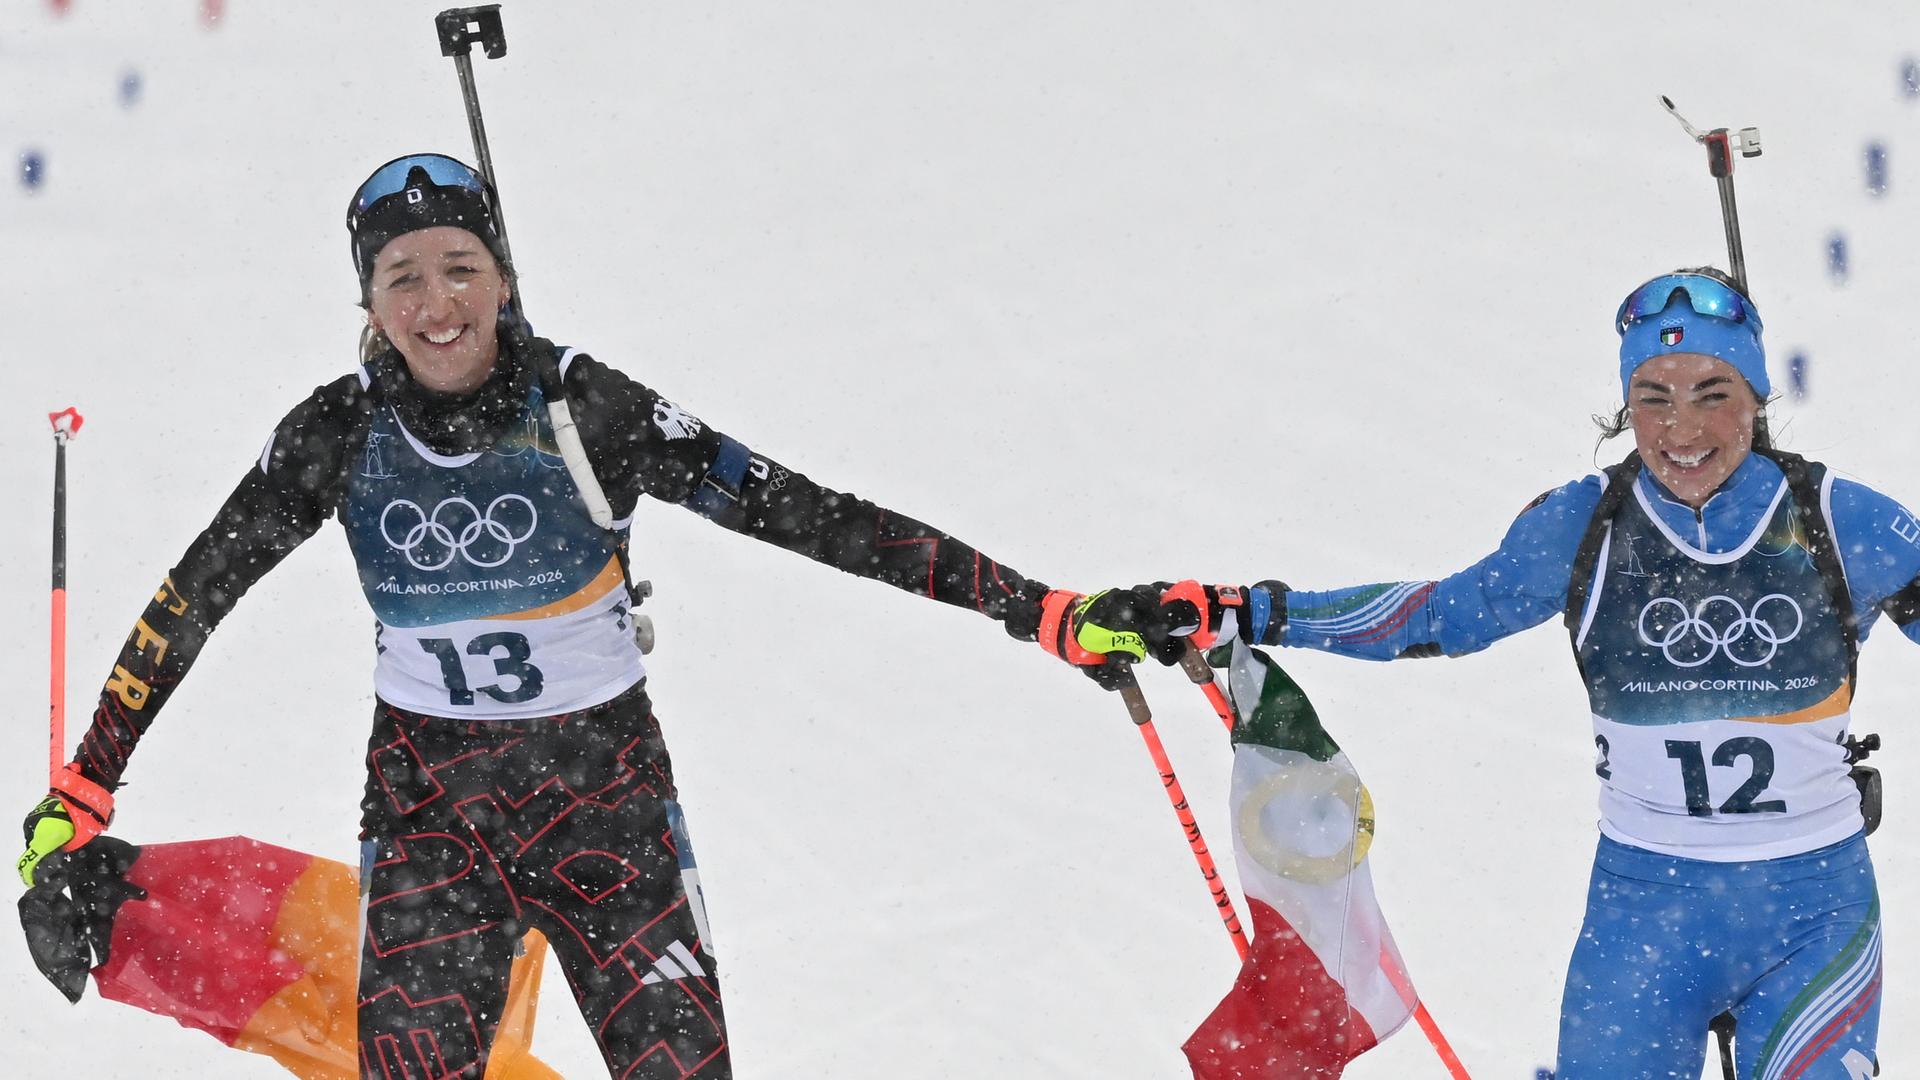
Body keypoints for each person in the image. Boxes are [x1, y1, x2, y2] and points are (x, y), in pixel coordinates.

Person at [14, 153, 1146, 1079]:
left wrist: (1035, 611)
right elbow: (195, 594)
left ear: (503, 279)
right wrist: (86, 784)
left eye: (460, 267)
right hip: (430, 814)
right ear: (367, 302)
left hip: (605, 806)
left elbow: (814, 517)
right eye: (402, 277)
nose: (436, 304)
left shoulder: (587, 410)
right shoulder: (337, 435)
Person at [1092, 268, 1920, 1078]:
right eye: (1653, 399)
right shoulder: (1586, 525)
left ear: (1758, 396)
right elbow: (1437, 616)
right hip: (1646, 913)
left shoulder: (1841, 521)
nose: (1682, 429)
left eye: (1714, 393)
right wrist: (1250, 610)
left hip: (1813, 910)